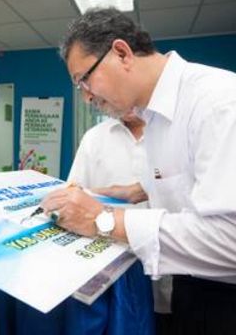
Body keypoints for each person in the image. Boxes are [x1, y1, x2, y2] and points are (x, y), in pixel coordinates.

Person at [42, 8, 236, 334]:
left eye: (84, 79)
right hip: (199, 293)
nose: (86, 97)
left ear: (122, 53)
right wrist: (139, 190)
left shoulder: (221, 104)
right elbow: (195, 174)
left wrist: (105, 220)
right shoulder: (156, 115)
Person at [69, 113, 174, 334]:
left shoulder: (174, 133)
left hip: (174, 277)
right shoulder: (95, 138)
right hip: (116, 289)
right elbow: (74, 201)